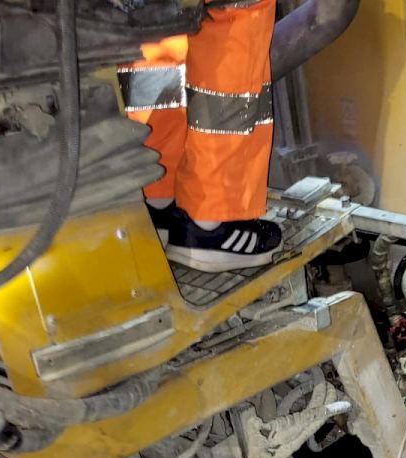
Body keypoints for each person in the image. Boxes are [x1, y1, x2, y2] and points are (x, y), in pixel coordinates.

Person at [117, 0, 282, 273]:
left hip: (145, 196)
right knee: (232, 12)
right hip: (207, 224)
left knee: (157, 12)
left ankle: (157, 202)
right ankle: (210, 218)